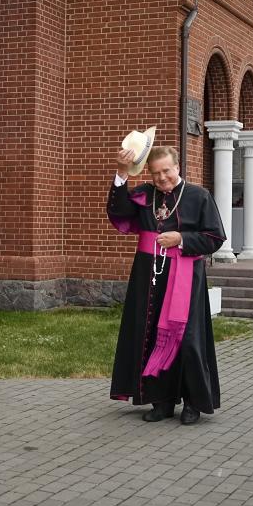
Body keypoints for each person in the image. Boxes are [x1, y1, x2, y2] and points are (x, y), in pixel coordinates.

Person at [107, 134, 225, 425]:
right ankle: (160, 402)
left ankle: (192, 403)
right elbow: (119, 212)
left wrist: (182, 238)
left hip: (184, 276)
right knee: (149, 335)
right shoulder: (146, 194)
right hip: (149, 276)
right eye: (156, 173)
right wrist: (122, 173)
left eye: (166, 171)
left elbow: (215, 237)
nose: (161, 178)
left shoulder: (199, 196)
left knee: (186, 339)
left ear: (178, 168)